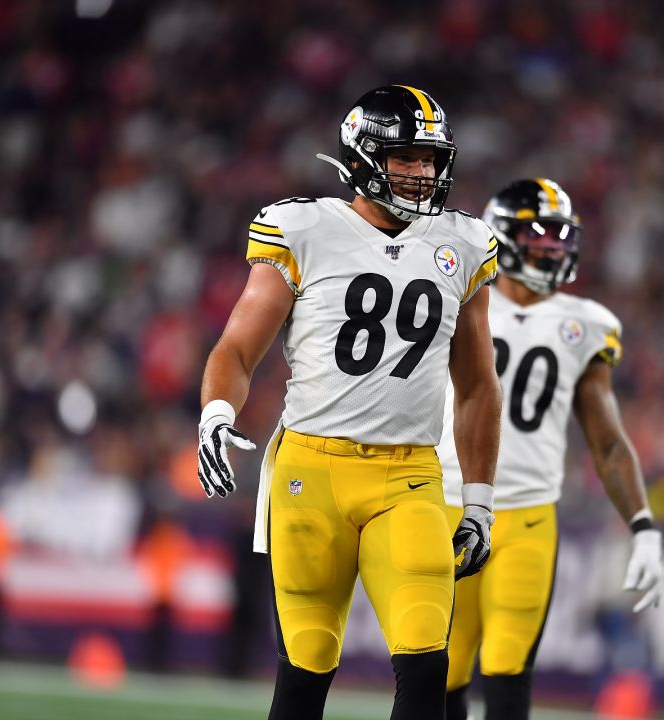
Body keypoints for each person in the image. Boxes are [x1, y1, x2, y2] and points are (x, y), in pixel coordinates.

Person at [197, 84, 503, 720]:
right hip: (312, 469)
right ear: (364, 156)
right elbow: (236, 350)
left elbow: (477, 385)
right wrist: (217, 413)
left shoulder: (464, 244)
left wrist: (478, 501)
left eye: (431, 159)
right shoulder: (304, 229)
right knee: (306, 670)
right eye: (407, 158)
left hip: (411, 475)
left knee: (427, 665)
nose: (423, 173)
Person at [436, 179, 664, 720]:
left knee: (508, 668)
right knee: (439, 670)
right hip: (442, 502)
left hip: (528, 518)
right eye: (538, 234)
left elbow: (607, 442)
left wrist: (644, 525)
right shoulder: (456, 300)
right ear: (503, 236)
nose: (552, 247)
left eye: (561, 236)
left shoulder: (586, 323)